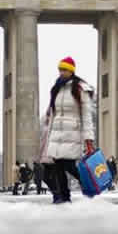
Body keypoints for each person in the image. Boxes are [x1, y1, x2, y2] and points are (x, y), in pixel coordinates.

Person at [42, 56, 96, 203]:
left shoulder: (80, 88)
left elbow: (86, 115)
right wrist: (47, 132)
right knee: (58, 166)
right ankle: (64, 198)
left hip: (72, 132)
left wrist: (88, 138)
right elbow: (53, 113)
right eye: (60, 69)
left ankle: (89, 183)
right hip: (57, 133)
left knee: (68, 165)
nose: (61, 72)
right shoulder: (57, 88)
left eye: (64, 70)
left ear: (71, 71)